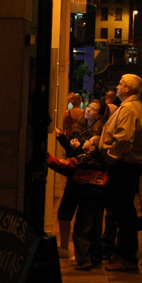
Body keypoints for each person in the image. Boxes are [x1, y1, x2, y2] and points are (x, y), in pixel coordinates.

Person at [98, 73, 142, 272]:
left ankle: (127, 257)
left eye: (120, 84)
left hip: (124, 166)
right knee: (123, 211)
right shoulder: (135, 107)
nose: (117, 87)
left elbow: (123, 139)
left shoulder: (129, 109)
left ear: (128, 89)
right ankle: (125, 255)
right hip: (127, 166)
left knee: (123, 212)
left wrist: (110, 157)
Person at [53, 98, 107, 256]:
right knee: (63, 214)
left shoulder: (99, 133)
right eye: (88, 106)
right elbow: (72, 150)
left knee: (86, 221)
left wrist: (83, 147)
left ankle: (86, 254)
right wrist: (62, 138)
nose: (88, 110)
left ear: (99, 115)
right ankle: (64, 248)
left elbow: (94, 157)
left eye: (93, 109)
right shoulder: (79, 127)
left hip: (88, 181)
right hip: (74, 176)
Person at [47, 136, 108, 270]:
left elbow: (62, 165)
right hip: (98, 200)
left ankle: (83, 260)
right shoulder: (103, 163)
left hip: (85, 198)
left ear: (91, 148)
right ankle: (96, 260)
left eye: (88, 141)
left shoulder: (82, 160)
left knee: (82, 230)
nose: (84, 141)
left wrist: (47, 157)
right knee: (95, 231)